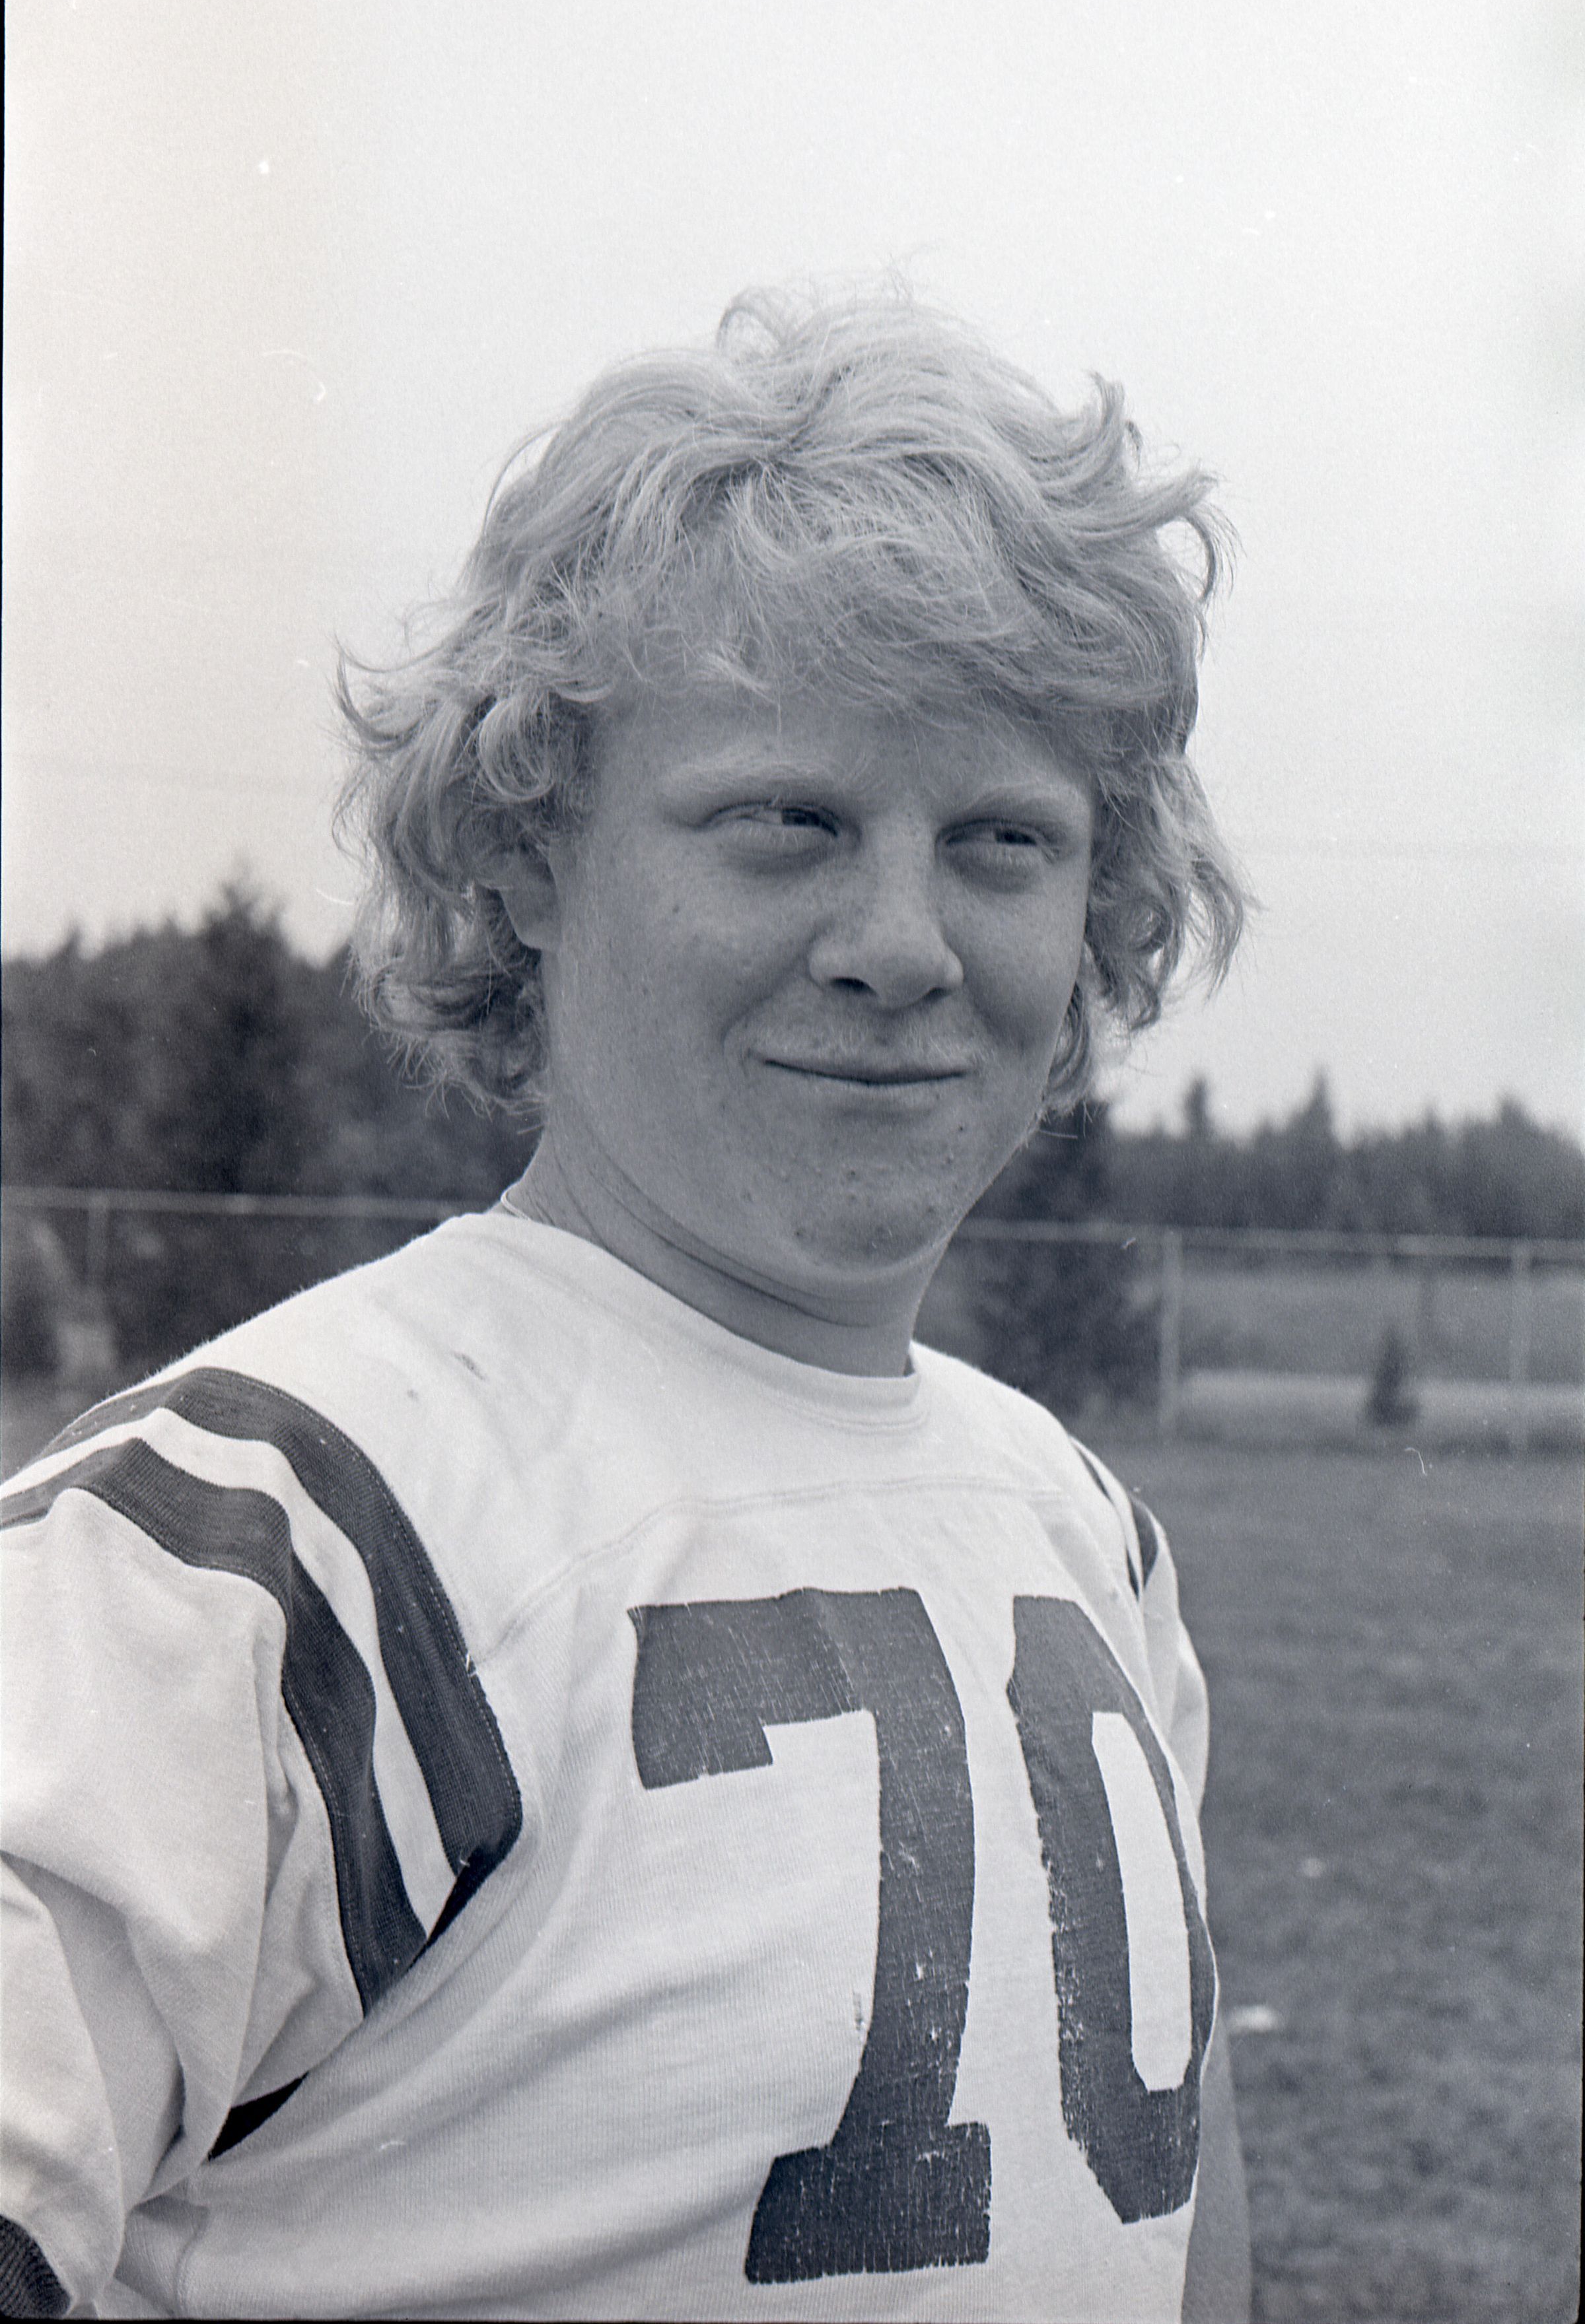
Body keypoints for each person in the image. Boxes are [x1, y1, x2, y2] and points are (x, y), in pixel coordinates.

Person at [1, 289, 1251, 2321]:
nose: (903, 942)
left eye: (1003, 841)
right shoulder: (256, 1541)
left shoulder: (1080, 1526)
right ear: (523, 860)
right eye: (788, 823)